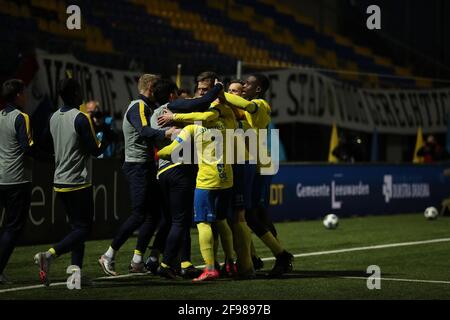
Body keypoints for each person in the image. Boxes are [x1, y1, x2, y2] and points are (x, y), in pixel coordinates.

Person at [34, 78, 112, 286]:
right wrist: (108, 136)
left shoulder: (53, 117)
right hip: (78, 181)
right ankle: (49, 255)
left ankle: (75, 277)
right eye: (80, 91)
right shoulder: (81, 117)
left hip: (59, 180)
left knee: (77, 230)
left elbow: (46, 144)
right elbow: (95, 150)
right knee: (84, 229)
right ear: (75, 93)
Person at [146, 77, 226, 279]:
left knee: (172, 220)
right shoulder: (175, 110)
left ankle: (179, 262)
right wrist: (218, 87)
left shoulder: (154, 114)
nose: (193, 96)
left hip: (162, 171)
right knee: (182, 221)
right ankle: (166, 264)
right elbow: (201, 106)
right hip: (180, 169)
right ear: (172, 96)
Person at [98, 74, 176, 276]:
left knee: (154, 216)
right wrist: (166, 134)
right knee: (139, 214)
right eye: (157, 86)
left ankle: (137, 260)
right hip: (137, 166)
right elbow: (143, 131)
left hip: (146, 165)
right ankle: (108, 254)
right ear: (150, 86)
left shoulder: (145, 107)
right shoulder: (138, 107)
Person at [224, 74, 294, 277]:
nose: (243, 85)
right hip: (252, 164)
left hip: (260, 166)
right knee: (249, 215)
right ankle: (256, 257)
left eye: (247, 83)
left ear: (258, 89)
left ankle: (281, 256)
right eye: (241, 83)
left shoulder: (259, 103)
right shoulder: (242, 106)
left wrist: (218, 93)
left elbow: (238, 106)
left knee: (254, 214)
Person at [157, 117, 233, 282]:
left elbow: (171, 151)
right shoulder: (225, 121)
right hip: (227, 178)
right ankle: (230, 263)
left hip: (206, 181)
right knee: (222, 220)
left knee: (202, 223)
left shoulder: (192, 128)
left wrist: (158, 152)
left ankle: (210, 269)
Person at [0, 79, 34, 284]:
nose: (26, 95)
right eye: (24, 92)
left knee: (7, 227)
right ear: (18, 95)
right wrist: (53, 158)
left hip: (1, 178)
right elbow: (27, 148)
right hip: (17, 179)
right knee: (13, 228)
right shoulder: (22, 117)